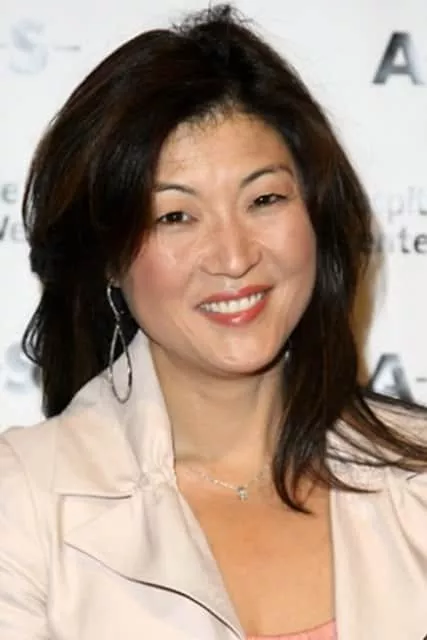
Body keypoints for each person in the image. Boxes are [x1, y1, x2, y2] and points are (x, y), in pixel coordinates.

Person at [1, 4, 426, 639]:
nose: (234, 256)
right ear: (109, 257)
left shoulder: (417, 479)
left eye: (264, 199)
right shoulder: (23, 506)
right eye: (175, 216)